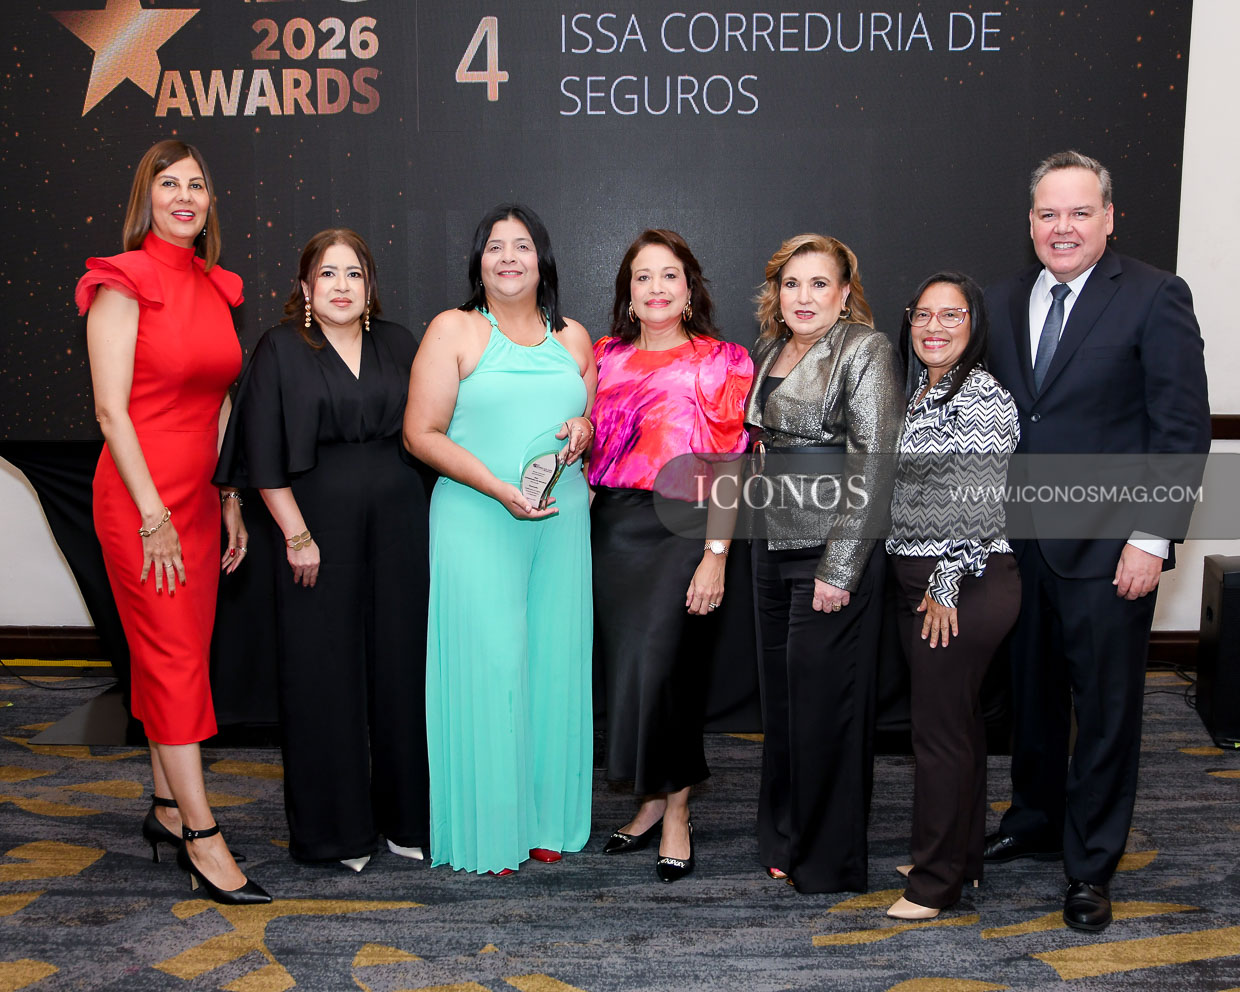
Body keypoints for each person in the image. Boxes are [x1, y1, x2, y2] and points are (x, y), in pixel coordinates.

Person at [984, 150, 1210, 931]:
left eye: (1080, 212)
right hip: (1018, 547)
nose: (1064, 227)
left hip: (1114, 550)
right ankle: (1035, 820)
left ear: (1109, 218)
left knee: (1107, 712)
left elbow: (1181, 430)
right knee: (1032, 701)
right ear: (1030, 222)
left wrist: (1152, 537)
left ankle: (1091, 864)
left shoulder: (1154, 295)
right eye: (1049, 213)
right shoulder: (1000, 299)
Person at [76, 139, 269, 904]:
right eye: (169, 184)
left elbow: (219, 400)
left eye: (197, 184)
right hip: (140, 500)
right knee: (173, 657)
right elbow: (110, 411)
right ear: (146, 198)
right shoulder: (122, 282)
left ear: (210, 202)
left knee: (176, 655)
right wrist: (154, 513)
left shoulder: (215, 287)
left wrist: (229, 497)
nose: (185, 196)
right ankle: (201, 835)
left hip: (198, 498)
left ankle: (164, 805)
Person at [215, 229, 430, 872]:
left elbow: (439, 425)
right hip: (314, 528)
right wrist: (297, 534)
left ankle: (408, 818)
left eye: (354, 273)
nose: (342, 286)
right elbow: (260, 449)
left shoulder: (399, 342)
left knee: (404, 671)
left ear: (370, 285)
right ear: (305, 287)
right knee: (323, 675)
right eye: (328, 274)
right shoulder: (281, 347)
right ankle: (337, 832)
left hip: (401, 525)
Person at [403, 204, 595, 875]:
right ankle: (490, 828)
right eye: (494, 246)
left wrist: (584, 430)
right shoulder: (452, 329)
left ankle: (546, 821)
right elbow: (419, 434)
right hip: (478, 515)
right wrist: (495, 487)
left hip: (561, 517)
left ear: (543, 260)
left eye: (521, 246)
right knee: (492, 665)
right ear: (478, 262)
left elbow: (584, 420)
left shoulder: (574, 337)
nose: (508, 257)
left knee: (554, 664)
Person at [590, 229, 753, 883]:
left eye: (669, 276)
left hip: (684, 531)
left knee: (670, 675)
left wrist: (716, 555)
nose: (656, 288)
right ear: (628, 295)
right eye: (643, 277)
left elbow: (729, 466)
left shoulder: (720, 361)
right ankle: (651, 799)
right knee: (631, 677)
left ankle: (678, 809)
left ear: (689, 291)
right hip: (613, 532)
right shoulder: (602, 357)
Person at [744, 233, 901, 894]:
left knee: (825, 706)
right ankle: (785, 833)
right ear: (776, 294)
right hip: (769, 543)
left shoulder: (866, 349)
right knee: (784, 703)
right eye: (791, 284)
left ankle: (828, 859)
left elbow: (875, 463)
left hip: (830, 549)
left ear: (844, 294)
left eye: (818, 284)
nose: (803, 297)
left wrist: (840, 567)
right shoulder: (770, 350)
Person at [884, 272, 1022, 920]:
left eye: (951, 315)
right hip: (926, 579)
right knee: (958, 727)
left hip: (963, 581)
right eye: (923, 315)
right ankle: (960, 860)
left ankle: (933, 885)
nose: (934, 327)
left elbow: (978, 502)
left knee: (938, 736)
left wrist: (944, 587)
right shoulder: (926, 391)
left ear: (975, 325)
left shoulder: (981, 396)